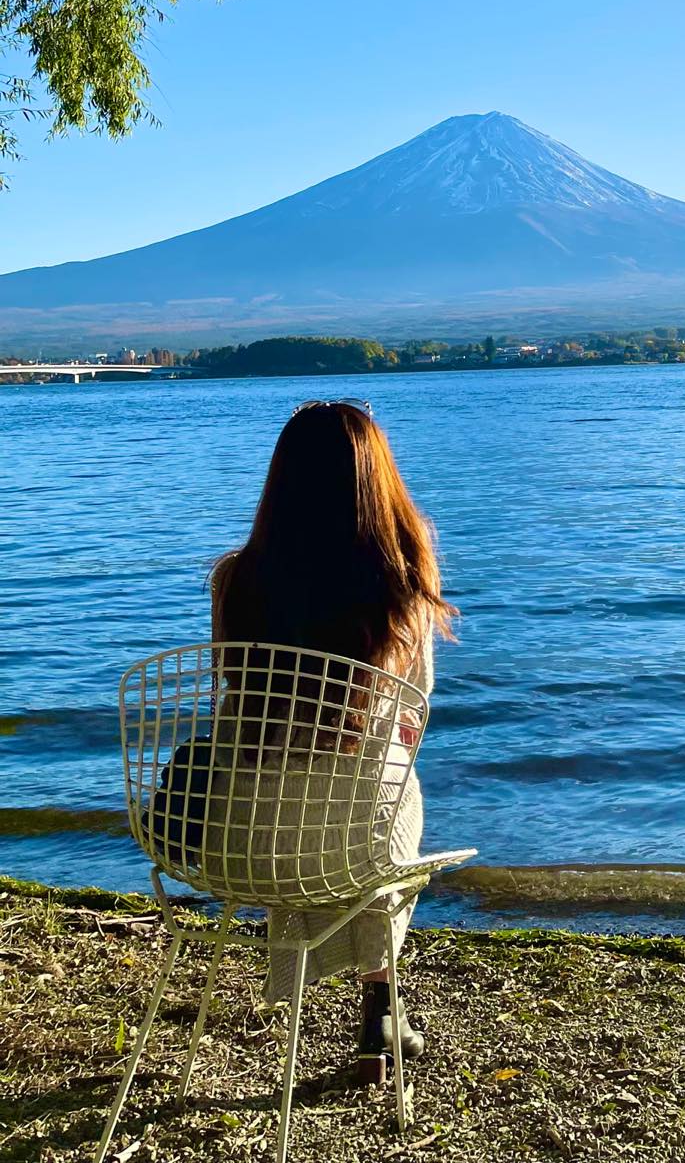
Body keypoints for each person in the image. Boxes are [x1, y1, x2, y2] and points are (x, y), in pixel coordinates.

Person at [209, 399, 456, 1072]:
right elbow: (416, 710)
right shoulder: (403, 582)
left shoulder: (235, 580)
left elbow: (234, 688)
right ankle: (382, 1007)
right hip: (355, 844)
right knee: (386, 791)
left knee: (343, 792)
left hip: (243, 839)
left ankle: (382, 1008)